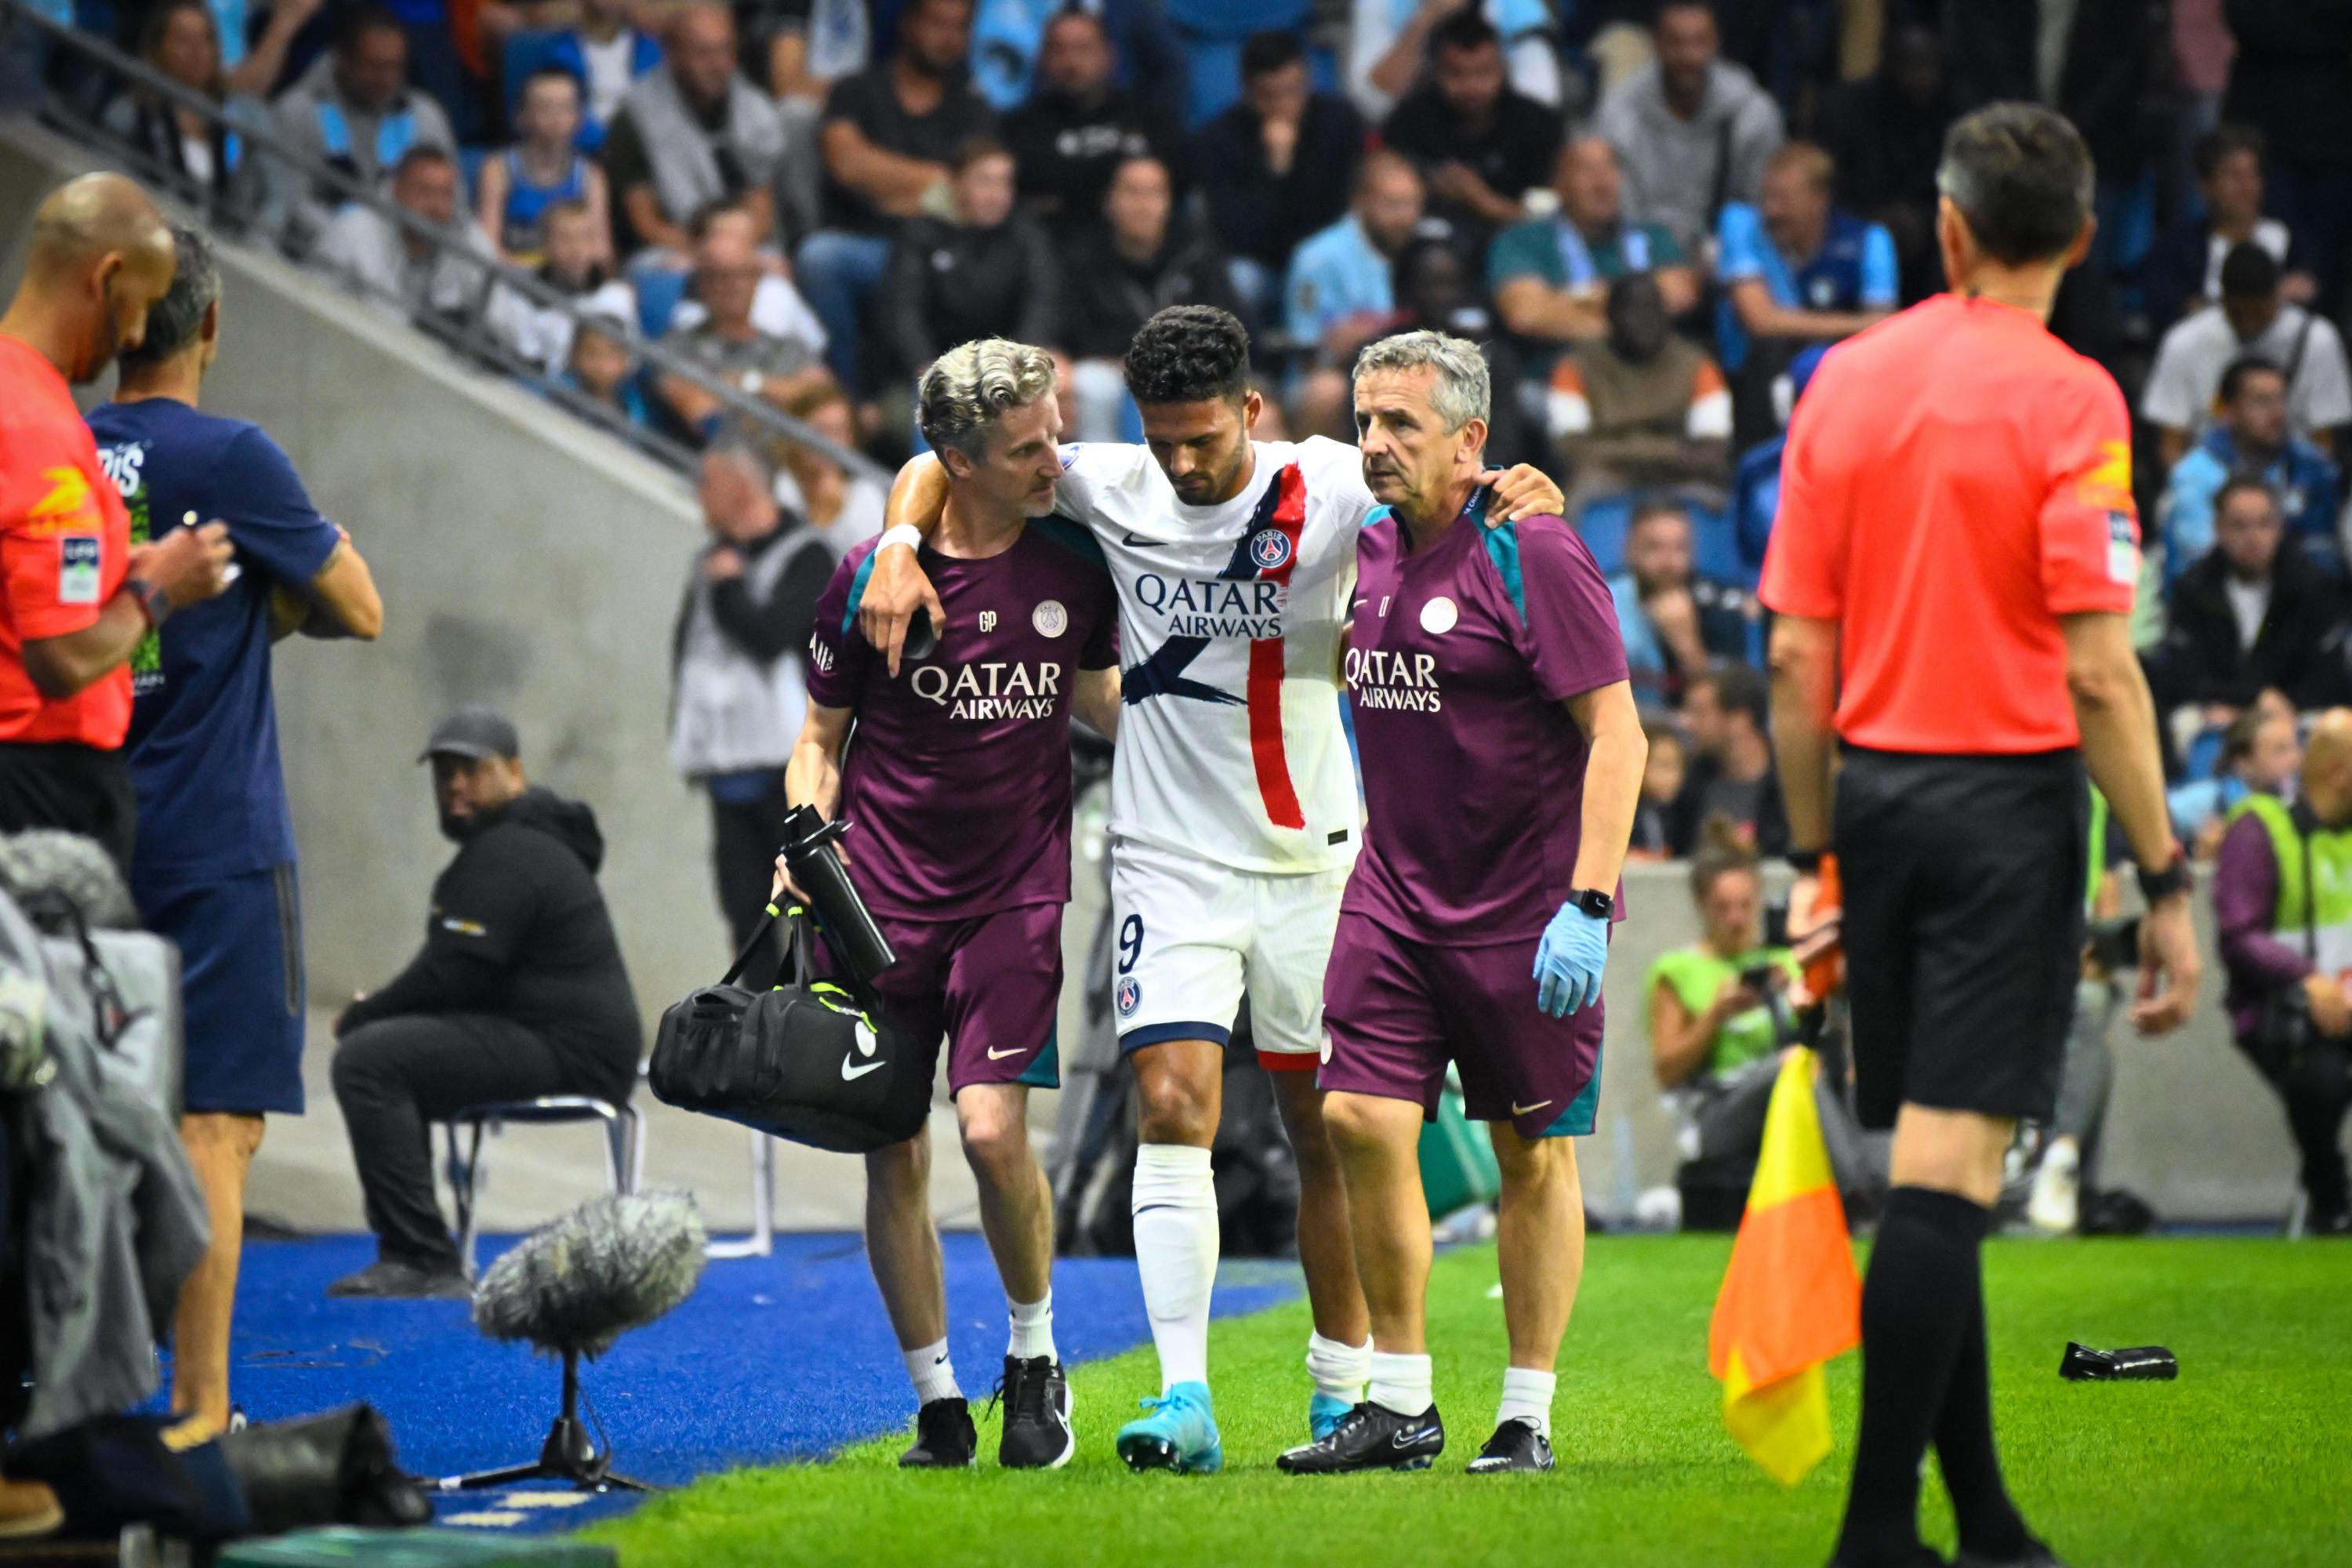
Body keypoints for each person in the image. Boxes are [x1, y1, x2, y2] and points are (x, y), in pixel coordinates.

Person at [855, 307, 1565, 1472]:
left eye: (1206, 442)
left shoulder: (1331, 483)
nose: (1183, 466)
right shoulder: (1102, 483)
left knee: (1321, 1129)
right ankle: (1183, 1398)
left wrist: (1516, 499)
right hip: (1167, 856)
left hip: (1315, 860)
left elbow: (1449, 495)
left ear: (1251, 413)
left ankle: (1345, 1390)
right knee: (1172, 1102)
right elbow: (936, 459)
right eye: (1164, 441)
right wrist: (893, 544)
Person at [1762, 103, 2200, 1568]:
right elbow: (2097, 665)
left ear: (1947, 230)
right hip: (2012, 805)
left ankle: (1988, 1521)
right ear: (2080, 238)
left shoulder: (1842, 383)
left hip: (1875, 797)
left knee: (1935, 1166)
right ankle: (1879, 1531)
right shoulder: (2079, 400)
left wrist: (1820, 854)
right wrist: (2165, 873)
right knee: (1949, 1176)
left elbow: (1792, 664)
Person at [1276, 328, 1642, 1476]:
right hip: (1392, 894)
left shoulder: (1535, 551)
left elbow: (1618, 736)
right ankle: (1400, 1400)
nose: (1375, 445)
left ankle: (1525, 1412)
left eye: (1402, 426)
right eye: (1366, 421)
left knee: (1529, 1153)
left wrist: (1587, 902)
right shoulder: (1365, 546)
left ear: (1470, 440)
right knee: (1354, 1121)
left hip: (1524, 909)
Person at [784, 339, 1120, 1468]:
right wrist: (801, 832)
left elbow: (1106, 703)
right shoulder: (872, 583)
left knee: (988, 1129)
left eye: (1054, 431)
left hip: (1017, 887)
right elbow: (818, 741)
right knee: (892, 1146)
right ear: (954, 459)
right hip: (879, 899)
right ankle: (936, 1401)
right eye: (1027, 447)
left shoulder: (1075, 560)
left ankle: (1033, 1359)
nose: (1053, 458)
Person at [84, 226, 383, 1441]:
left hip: (73, 832)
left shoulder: (53, 450)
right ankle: (201, 1408)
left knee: (77, 1131)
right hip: (212, 842)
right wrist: (280, 582)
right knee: (215, 1126)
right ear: (209, 327)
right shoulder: (235, 456)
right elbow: (360, 607)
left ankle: (72, 1404)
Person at [328, 710, 641, 1297]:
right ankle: (419, 1252)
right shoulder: (512, 845)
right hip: (553, 1041)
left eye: (472, 769)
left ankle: (421, 1257)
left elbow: (450, 975)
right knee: (389, 1053)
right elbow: (459, 978)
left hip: (570, 1052)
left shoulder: (513, 850)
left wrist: (366, 1014)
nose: (455, 786)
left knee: (369, 1060)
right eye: (445, 773)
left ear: (515, 774)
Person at [0, 175, 230, 869]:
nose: (135, 336)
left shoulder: (22, 398)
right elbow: (63, 657)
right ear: (105, 277)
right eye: (142, 306)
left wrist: (110, 574)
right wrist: (159, 590)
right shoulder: (39, 432)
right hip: (40, 793)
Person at [670, 444, 840, 983]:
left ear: (741, 489)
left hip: (787, 772)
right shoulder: (711, 557)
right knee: (744, 909)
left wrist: (729, 588)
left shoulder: (809, 555)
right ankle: (759, 1026)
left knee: (812, 908)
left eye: (707, 485)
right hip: (727, 766)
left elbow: (772, 636)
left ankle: (816, 1026)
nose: (699, 498)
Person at [1646, 822, 1868, 1226]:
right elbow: (1666, 1071)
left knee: (1840, 1066)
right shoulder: (1677, 970)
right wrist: (1714, 1017)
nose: (1736, 918)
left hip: (1792, 1097)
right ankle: (1856, 1193)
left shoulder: (1782, 964)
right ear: (1702, 905)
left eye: (1745, 905)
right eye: (1723, 907)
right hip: (1715, 1114)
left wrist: (1800, 997)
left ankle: (1879, 1178)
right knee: (1791, 1064)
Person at [798, 0, 995, 390]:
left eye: (958, 28)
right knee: (819, 257)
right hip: (868, 245)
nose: (947, 38)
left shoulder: (972, 108)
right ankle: (843, 392)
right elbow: (846, 163)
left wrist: (883, 184)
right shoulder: (857, 90)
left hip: (940, 252)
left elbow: (970, 195)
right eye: (937, 24)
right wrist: (933, 183)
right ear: (909, 24)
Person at [2212, 706, 2352, 1236]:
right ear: (2340, 771)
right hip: (2284, 1012)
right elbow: (2238, 934)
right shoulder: (2260, 829)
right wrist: (2305, 977)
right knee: (2321, 1079)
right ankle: (2330, 1194)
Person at [1189, 31, 1366, 331]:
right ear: (1246, 89)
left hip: (1323, 259)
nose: (1283, 105)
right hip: (1261, 264)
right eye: (1269, 95)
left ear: (1308, 79)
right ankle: (1243, 369)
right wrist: (1275, 170)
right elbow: (1235, 232)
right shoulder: (1219, 139)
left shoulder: (1338, 122)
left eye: (1292, 91)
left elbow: (1337, 210)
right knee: (1237, 280)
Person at [1059, 154, 1240, 438]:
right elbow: (1073, 333)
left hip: (1190, 369)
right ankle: (1106, 477)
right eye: (1132, 192)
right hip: (1112, 369)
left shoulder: (1196, 252)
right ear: (1109, 200)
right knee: (1089, 383)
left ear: (1169, 201)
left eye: (1155, 193)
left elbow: (1227, 325)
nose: (1144, 205)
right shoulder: (1083, 258)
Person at [1487, 136, 1697, 376]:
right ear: (1558, 183)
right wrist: (1634, 316)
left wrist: (1582, 298)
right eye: (1585, 170)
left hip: (1650, 380)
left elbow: (1680, 295)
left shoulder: (1654, 236)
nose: (1602, 182)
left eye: (1610, 167)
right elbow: (1526, 315)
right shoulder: (1521, 240)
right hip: (1557, 381)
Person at [1593, 0, 1784, 254]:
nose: (1689, 56)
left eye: (1699, 42)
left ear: (1716, 42)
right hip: (1640, 257)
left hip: (1731, 258)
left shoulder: (1752, 114)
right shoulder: (1618, 112)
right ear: (1656, 44)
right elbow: (1612, 209)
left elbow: (1765, 207)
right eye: (1676, 43)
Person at [2151, 477, 2350, 720]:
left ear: (2279, 528)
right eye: (2239, 525)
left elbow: (2329, 679)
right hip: (2220, 715)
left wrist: (2278, 708)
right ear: (2218, 528)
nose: (2253, 536)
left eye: (2264, 524)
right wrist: (2252, 701)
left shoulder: (2314, 588)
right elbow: (2183, 678)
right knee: (2185, 721)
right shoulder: (2192, 589)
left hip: (2296, 714)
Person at [2142, 243, 2352, 470]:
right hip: (2211, 483)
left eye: (2259, 313)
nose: (2249, 323)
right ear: (2223, 299)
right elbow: (2171, 445)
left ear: (2277, 295)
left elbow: (2324, 446)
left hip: (2290, 484)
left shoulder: (2316, 340)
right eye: (2239, 314)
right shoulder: (2183, 341)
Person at [602, 3, 785, 260]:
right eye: (704, 53)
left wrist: (730, 253)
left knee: (777, 276)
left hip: (743, 247)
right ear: (671, 53)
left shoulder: (755, 111)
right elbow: (646, 223)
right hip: (670, 249)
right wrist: (705, 256)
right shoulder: (635, 116)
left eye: (725, 50)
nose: (719, 64)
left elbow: (761, 208)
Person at [269, 5, 456, 250]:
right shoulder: (297, 111)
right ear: (343, 59)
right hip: (319, 256)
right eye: (375, 66)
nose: (386, 78)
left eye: (395, 66)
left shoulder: (425, 116)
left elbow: (453, 206)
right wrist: (360, 239)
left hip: (408, 259)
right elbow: (289, 204)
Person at [1374, 11, 1562, 250]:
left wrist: (1483, 200)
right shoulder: (1408, 123)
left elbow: (1548, 218)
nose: (1471, 87)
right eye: (1456, 74)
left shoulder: (1538, 125)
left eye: (1483, 73)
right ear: (1435, 72)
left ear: (1503, 70)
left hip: (1518, 250)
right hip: (1424, 248)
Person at [1713, 143, 1899, 382]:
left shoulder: (1870, 241)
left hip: (1842, 377)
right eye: (1766, 197)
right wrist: (1859, 324)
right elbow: (1760, 320)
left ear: (1820, 199)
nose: (1771, 210)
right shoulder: (1743, 225)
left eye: (1784, 199)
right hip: (1753, 377)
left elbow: (1882, 333)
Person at [1547, 273, 1731, 508]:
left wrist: (1623, 453)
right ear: (1610, 316)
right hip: (1604, 477)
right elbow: (1570, 451)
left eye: (1652, 311)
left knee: (1718, 504)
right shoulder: (1575, 367)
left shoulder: (1697, 366)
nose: (1645, 321)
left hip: (1682, 479)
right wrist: (1668, 453)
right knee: (1571, 500)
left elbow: (1712, 452)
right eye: (1632, 311)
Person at [881, 140, 1059, 383]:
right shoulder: (920, 235)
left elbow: (1042, 303)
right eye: (985, 181)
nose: (996, 194)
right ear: (955, 183)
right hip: (935, 371)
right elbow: (905, 312)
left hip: (1007, 370)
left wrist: (1015, 365)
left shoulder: (1027, 235)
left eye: (1005, 182)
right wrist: (931, 373)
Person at [2157, 358, 2342, 590]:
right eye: (2262, 401)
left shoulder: (2312, 467)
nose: (2278, 413)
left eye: (2280, 399)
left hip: (2298, 610)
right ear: (2229, 411)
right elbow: (2198, 568)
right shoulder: (2194, 476)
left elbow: (2326, 555)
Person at [1284, 153, 1427, 439]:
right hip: (1342, 374)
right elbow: (1307, 351)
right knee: (1325, 391)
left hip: (1413, 368)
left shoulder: (1427, 250)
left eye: (1414, 205)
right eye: (1394, 205)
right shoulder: (1317, 258)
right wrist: (1344, 341)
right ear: (1360, 202)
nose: (1407, 217)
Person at [1820, 24, 1964, 303]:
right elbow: (1828, 183)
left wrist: (1928, 216)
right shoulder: (1846, 110)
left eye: (1928, 66)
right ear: (1890, 66)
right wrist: (1875, 217)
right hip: (1857, 221)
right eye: (1911, 66)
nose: (1920, 79)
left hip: (1934, 229)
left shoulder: (1956, 115)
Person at [655, 223, 832, 444]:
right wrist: (785, 397)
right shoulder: (677, 346)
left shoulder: (789, 347)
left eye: (742, 274)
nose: (732, 285)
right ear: (702, 283)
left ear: (757, 280)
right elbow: (703, 413)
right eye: (719, 275)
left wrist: (747, 383)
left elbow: (827, 401)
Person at [1001, 9, 1180, 226]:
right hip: (1051, 250)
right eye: (1059, 50)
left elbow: (1178, 185)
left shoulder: (1151, 121)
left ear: (1109, 56)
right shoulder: (1018, 130)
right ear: (1043, 59)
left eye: (1084, 49)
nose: (1071, 62)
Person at [2143, 125, 2317, 337]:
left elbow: (2308, 289)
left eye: (2253, 175)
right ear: (2206, 185)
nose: (2246, 187)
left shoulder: (2288, 238)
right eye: (2234, 176)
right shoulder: (2179, 246)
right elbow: (2170, 309)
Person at [101, 0, 265, 219]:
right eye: (183, 40)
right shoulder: (129, 114)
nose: (197, 52)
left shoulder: (231, 123)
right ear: (158, 48)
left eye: (205, 39)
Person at [310, 146, 497, 328]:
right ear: (397, 190)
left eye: (446, 194)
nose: (437, 207)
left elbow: (505, 319)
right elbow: (310, 307)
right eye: (425, 192)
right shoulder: (353, 229)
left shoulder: (466, 243)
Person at [1609, 501, 1751, 712]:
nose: (1668, 562)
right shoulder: (1602, 600)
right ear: (1628, 549)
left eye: (1680, 548)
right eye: (1653, 547)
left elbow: (1730, 710)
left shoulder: (1720, 606)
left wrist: (1687, 644)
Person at [474, 67, 609, 266]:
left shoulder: (590, 175)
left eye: (565, 107)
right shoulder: (498, 170)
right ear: (521, 116)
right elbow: (487, 247)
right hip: (513, 280)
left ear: (579, 118)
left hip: (569, 280)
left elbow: (601, 251)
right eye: (545, 107)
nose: (556, 117)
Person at [1348, 0, 1559, 118]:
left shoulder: (1520, 7)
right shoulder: (1381, 4)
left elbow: (1541, 105)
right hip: (1416, 134)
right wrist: (1426, 17)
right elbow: (1373, 105)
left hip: (1498, 137)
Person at [498, 198, 638, 375]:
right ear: (544, 245)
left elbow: (627, 363)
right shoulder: (519, 289)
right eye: (565, 238)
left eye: (585, 238)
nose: (576, 249)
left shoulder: (617, 297)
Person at [1668, 663, 1782, 856]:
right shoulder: (1689, 787)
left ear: (1739, 719)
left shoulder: (1788, 788)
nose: (1688, 724)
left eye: (1700, 712)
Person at [2170, 698, 2299, 857]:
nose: (2295, 759)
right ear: (2243, 761)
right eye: (2280, 750)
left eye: (2294, 746)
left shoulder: (2296, 796)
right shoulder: (2209, 798)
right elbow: (2158, 815)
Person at [775, 381, 884, 555]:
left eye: (838, 432)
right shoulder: (785, 483)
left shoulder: (864, 496)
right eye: (821, 431)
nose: (828, 443)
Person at [543, 0, 662, 150]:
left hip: (644, 145)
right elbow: (559, 112)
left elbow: (661, 106)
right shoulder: (560, 51)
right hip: (586, 148)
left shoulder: (649, 47)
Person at [560, 311, 655, 429]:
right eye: (591, 352)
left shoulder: (633, 410)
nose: (600, 364)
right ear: (574, 354)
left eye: (611, 354)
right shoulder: (559, 390)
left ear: (624, 361)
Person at [1628, 710, 1686, 860]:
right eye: (1663, 766)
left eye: (1677, 766)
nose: (1672, 778)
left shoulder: (1676, 813)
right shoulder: (1628, 814)